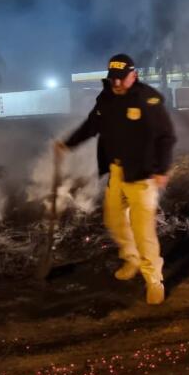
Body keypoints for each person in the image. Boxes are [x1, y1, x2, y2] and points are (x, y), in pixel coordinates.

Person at [55, 54, 176, 305]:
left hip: (143, 176)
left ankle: (154, 280)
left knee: (144, 233)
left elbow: (166, 136)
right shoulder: (107, 99)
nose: (117, 84)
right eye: (113, 79)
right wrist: (67, 144)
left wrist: (162, 170)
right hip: (117, 173)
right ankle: (130, 258)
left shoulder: (147, 99)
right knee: (114, 219)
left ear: (134, 75)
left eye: (122, 79)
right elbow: (91, 126)